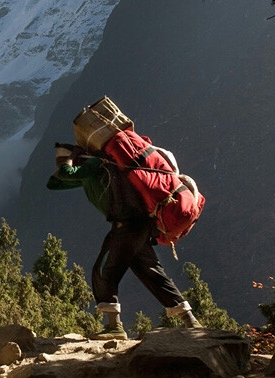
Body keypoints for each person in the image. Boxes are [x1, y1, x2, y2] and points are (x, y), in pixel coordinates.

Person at [47, 142, 201, 340]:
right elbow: (55, 183)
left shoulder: (93, 164)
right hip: (141, 226)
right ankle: (190, 320)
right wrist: (69, 164)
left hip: (127, 226)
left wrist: (66, 160)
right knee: (152, 272)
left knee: (103, 270)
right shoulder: (97, 168)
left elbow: (66, 174)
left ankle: (114, 328)